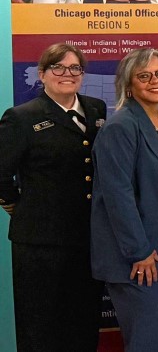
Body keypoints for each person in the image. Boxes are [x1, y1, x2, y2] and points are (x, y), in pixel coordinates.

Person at [0, 43, 106, 352]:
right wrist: (19, 208)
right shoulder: (22, 117)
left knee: (84, 322)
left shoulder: (96, 108)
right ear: (43, 75)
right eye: (58, 68)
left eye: (75, 68)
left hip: (86, 238)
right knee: (42, 327)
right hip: (40, 244)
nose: (67, 74)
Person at [91, 49, 158, 351]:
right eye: (144, 76)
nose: (155, 81)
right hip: (139, 260)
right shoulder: (120, 127)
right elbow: (117, 196)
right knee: (147, 344)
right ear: (129, 85)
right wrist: (139, 251)